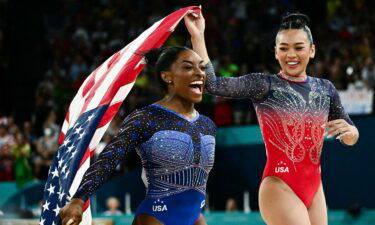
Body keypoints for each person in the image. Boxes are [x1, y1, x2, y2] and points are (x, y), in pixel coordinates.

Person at [185, 11, 359, 225]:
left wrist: (352, 133)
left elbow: (350, 134)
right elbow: (212, 84)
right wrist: (198, 36)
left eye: (298, 47)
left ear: (312, 50)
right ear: (276, 52)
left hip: (315, 188)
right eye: (284, 48)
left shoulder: (326, 89)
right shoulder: (264, 85)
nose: (291, 55)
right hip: (279, 186)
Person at [59, 46, 216, 225]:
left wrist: (199, 35)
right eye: (188, 67)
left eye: (202, 68)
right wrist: (79, 199)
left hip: (195, 217)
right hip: (156, 217)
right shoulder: (146, 118)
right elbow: (108, 160)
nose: (200, 73)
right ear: (167, 77)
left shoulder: (207, 125)